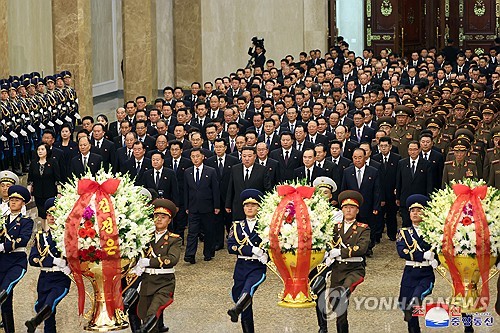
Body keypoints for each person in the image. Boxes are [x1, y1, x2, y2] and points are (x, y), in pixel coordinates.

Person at [134, 199, 181, 333]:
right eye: (156, 216)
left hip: (164, 282)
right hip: (147, 281)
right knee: (144, 314)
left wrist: (149, 262)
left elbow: (172, 259)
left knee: (152, 313)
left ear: (169, 220)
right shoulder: (144, 237)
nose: (159, 219)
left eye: (163, 217)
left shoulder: (174, 239)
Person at [326, 190, 370, 333]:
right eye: (345, 207)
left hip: (354, 269)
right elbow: (328, 244)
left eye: (352, 208)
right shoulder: (335, 227)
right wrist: (328, 256)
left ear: (357, 210)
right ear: (342, 209)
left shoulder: (363, 228)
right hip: (338, 269)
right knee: (336, 305)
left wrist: (340, 252)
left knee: (343, 294)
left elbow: (362, 248)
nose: (348, 210)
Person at [25, 198, 71, 333]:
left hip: (61, 278)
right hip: (44, 278)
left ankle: (34, 322)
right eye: (49, 214)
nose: (52, 218)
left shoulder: (68, 236)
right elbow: (32, 259)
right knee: (46, 312)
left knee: (49, 303)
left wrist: (70, 266)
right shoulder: (40, 237)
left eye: (55, 214)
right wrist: (53, 261)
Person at [227, 189, 267, 333]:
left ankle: (236, 309)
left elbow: (273, 244)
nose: (250, 208)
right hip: (241, 266)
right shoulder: (237, 226)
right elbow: (230, 247)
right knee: (241, 298)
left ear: (259, 207)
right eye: (247, 205)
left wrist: (266, 254)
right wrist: (251, 250)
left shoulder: (265, 225)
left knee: (248, 289)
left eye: (253, 205)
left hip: (257, 266)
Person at [396, 194, 437, 333]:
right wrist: (422, 255)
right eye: (413, 210)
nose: (415, 213)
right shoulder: (404, 232)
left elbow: (439, 249)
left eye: (419, 210)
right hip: (409, 272)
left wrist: (436, 259)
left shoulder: (432, 232)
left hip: (425, 273)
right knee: (405, 305)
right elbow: (402, 251)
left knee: (415, 299)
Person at [310, 176, 342, 333]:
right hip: (313, 258)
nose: (323, 195)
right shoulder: (309, 212)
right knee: (318, 292)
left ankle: (340, 324)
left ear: (331, 196)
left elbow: (334, 236)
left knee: (334, 293)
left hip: (331, 257)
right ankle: (322, 327)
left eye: (326, 193)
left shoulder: (337, 214)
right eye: (319, 192)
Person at [0, 185, 34, 333]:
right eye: (11, 199)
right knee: (6, 303)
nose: (13, 202)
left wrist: (4, 246)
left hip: (17, 262)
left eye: (17, 200)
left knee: (4, 291)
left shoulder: (26, 221)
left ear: (23, 203)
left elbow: (23, 240)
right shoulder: (3, 219)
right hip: (1, 261)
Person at [183, 148, 220, 263]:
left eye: (197, 156)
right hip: (193, 207)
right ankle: (190, 255)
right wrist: (187, 206)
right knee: (192, 232)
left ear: (202, 157)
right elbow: (186, 190)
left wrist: (217, 206)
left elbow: (215, 190)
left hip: (208, 207)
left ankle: (208, 253)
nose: (195, 158)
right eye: (193, 156)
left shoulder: (211, 171)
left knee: (209, 231)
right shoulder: (187, 172)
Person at [28, 143, 60, 219]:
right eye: (38, 150)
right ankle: (43, 229)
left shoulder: (52, 162)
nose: (40, 151)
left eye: (42, 149)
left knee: (50, 213)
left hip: (51, 192)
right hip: (38, 193)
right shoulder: (33, 163)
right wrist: (28, 192)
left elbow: (58, 179)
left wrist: (59, 192)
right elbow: (30, 180)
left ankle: (50, 229)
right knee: (41, 213)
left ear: (47, 151)